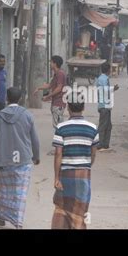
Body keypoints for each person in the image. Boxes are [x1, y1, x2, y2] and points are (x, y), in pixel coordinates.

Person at [0, 87, 41, 229]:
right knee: (20, 192)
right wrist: (36, 156)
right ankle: (17, 221)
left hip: (5, 161)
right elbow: (35, 139)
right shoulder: (27, 115)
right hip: (23, 159)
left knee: (7, 191)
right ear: (21, 99)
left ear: (6, 99)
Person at [51, 94, 99, 229]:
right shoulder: (93, 128)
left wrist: (56, 178)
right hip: (84, 176)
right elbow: (93, 153)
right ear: (83, 107)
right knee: (80, 212)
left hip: (66, 176)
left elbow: (58, 154)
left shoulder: (61, 128)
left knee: (61, 209)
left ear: (68, 108)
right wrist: (86, 166)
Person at [33, 55, 67, 129]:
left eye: (51, 62)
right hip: (56, 103)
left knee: (58, 126)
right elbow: (50, 85)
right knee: (58, 125)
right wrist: (39, 88)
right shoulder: (56, 74)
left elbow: (59, 88)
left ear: (55, 64)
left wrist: (48, 96)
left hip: (59, 103)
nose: (50, 64)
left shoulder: (60, 74)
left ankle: (59, 140)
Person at [96, 62, 119, 151]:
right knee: (103, 125)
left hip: (105, 105)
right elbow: (105, 91)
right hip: (104, 105)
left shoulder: (102, 78)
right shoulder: (104, 79)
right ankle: (100, 143)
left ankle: (105, 144)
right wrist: (113, 89)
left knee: (108, 125)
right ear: (109, 70)